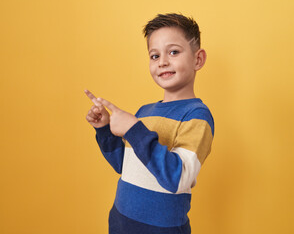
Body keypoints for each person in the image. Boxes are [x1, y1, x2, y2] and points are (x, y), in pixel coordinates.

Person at [84, 13, 215, 234]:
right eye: (155, 56)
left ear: (198, 59)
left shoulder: (197, 115)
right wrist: (104, 129)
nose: (163, 61)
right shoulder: (144, 112)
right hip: (120, 222)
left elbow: (178, 178)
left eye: (173, 52)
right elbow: (124, 165)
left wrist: (133, 129)